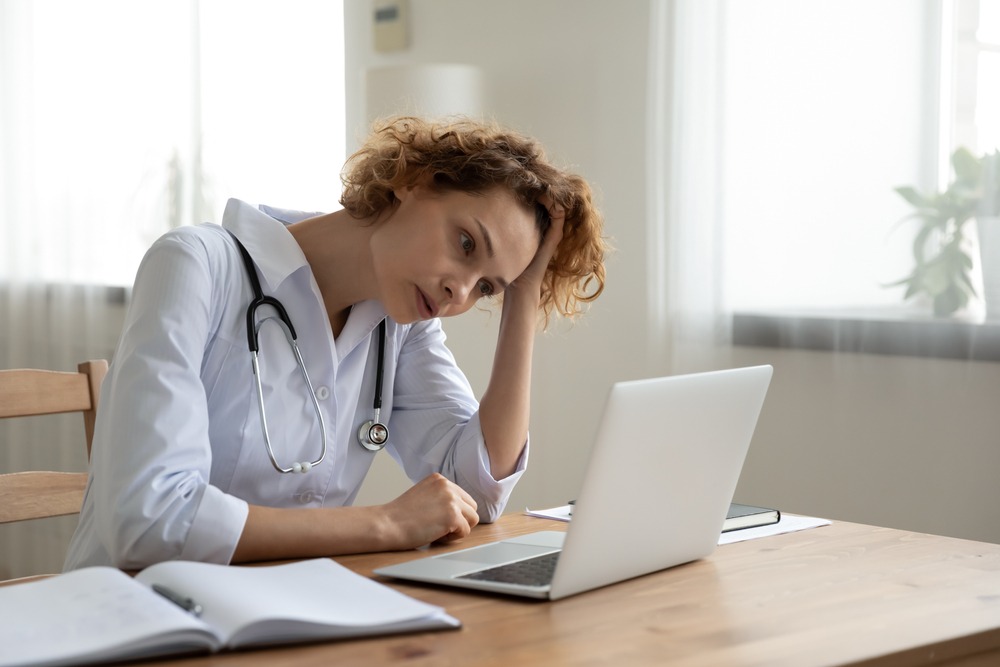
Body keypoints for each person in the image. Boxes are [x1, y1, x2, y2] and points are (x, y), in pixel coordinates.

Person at [64, 116, 607, 570]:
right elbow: (149, 521)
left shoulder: (403, 324)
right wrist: (385, 523)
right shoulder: (197, 266)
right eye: (466, 243)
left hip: (289, 622)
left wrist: (523, 296)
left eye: (486, 286)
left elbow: (477, 490)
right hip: (135, 625)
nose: (459, 292)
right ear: (413, 179)